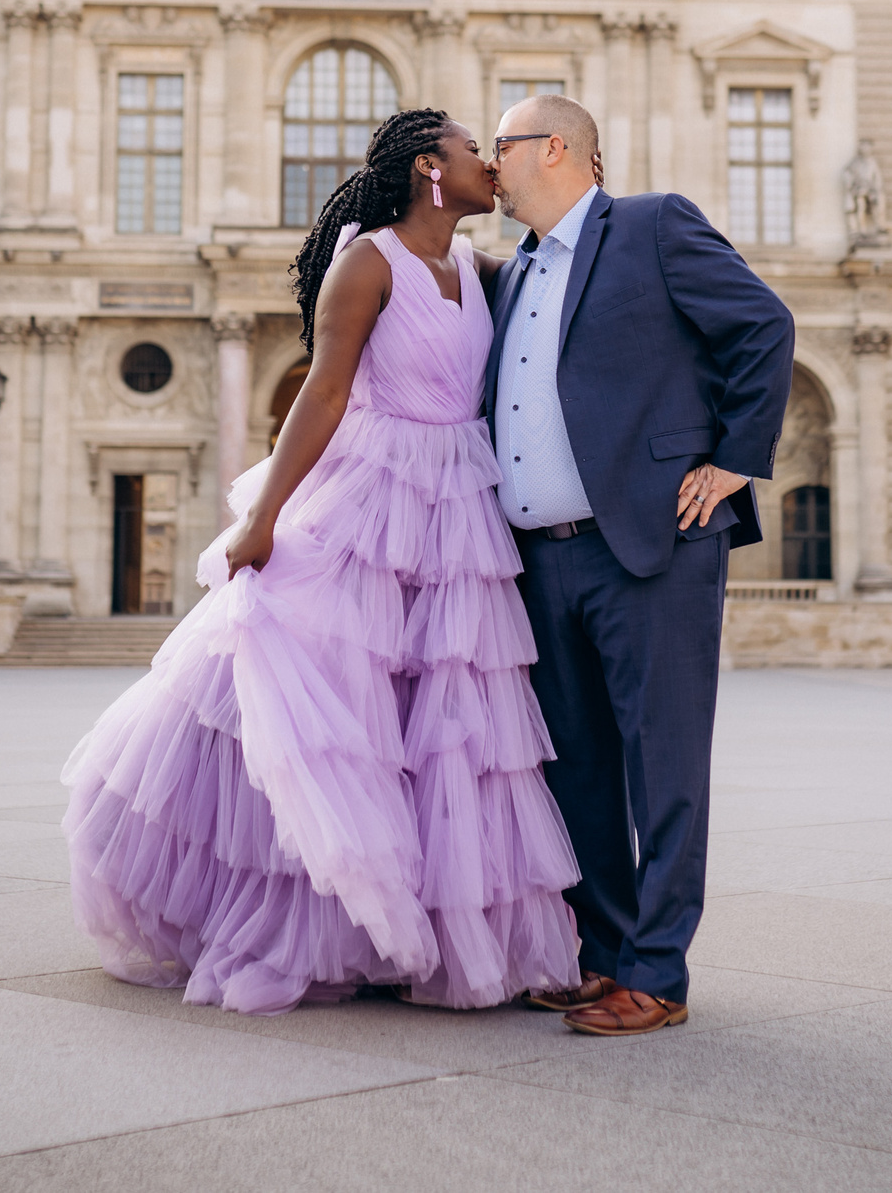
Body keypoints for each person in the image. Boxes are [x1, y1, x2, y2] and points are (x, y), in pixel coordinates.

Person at [62, 110, 579, 1015]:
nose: (491, 167)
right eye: (473, 151)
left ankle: (414, 919)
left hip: (457, 500)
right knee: (342, 711)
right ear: (429, 167)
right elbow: (326, 390)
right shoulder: (367, 260)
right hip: (371, 495)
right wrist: (262, 514)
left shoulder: (478, 268)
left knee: (443, 722)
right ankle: (323, 919)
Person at [485, 93, 794, 1036]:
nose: (488, 165)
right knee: (576, 769)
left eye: (498, 146)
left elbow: (763, 325)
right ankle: (606, 956)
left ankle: (658, 975)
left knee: (662, 766)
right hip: (542, 562)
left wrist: (736, 456)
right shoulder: (512, 273)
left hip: (650, 548)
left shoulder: (654, 227)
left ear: (554, 148)